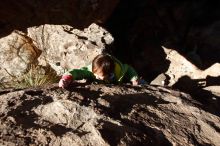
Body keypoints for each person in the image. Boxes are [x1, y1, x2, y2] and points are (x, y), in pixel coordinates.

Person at [59, 54, 143, 88]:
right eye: (95, 73)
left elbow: (128, 68)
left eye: (99, 75)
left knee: (142, 83)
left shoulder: (119, 70)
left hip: (121, 82)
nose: (95, 76)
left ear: (109, 73)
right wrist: (67, 78)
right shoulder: (92, 71)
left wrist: (134, 79)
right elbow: (78, 72)